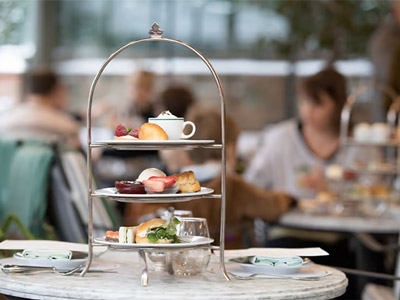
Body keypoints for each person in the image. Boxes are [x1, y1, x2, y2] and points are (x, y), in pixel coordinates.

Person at [125, 108, 295, 249]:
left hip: (178, 265)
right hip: (229, 265)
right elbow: (271, 207)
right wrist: (289, 198)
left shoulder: (168, 186)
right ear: (229, 149)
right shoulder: (232, 186)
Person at [244, 68, 349, 200]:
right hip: (283, 219)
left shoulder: (357, 145)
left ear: (338, 106)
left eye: (317, 104)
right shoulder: (280, 138)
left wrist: (330, 191)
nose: (307, 111)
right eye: (304, 101)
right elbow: (250, 186)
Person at [0, 67, 81, 149]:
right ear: (56, 91)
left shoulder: (5, 120)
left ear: (28, 89)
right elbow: (78, 158)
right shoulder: (66, 126)